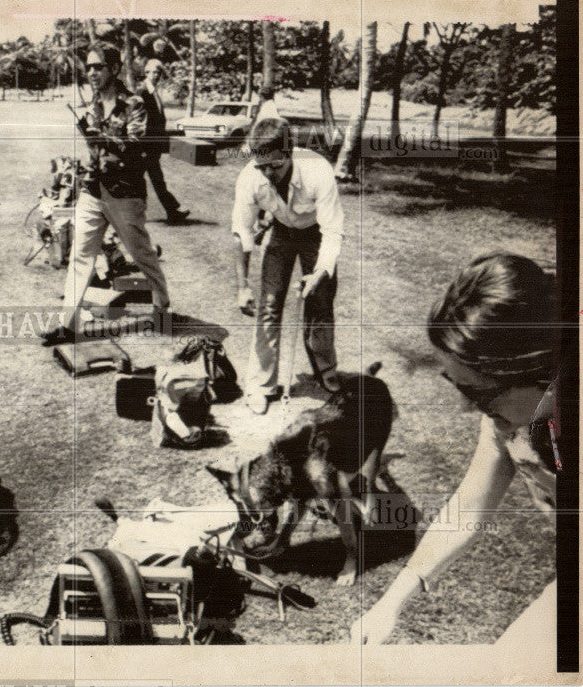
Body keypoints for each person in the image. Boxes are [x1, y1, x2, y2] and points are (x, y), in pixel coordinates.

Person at [351, 253, 559, 646]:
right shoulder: (511, 417)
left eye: (477, 392)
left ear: (542, 370)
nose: (466, 408)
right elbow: (468, 509)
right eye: (456, 384)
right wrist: (391, 602)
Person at [40, 44, 168, 347]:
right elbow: (97, 149)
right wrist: (90, 146)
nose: (92, 73)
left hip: (125, 193)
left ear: (114, 69)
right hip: (94, 189)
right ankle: (66, 325)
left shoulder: (134, 103)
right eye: (89, 67)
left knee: (141, 255)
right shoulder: (95, 103)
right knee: (80, 256)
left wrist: (101, 137)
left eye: (98, 67)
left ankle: (162, 308)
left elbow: (136, 145)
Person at [234, 117, 344, 414]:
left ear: (290, 152)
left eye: (276, 166)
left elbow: (333, 230)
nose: (268, 174)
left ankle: (325, 368)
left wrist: (320, 271)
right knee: (268, 305)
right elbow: (243, 233)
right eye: (262, 166)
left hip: (316, 235)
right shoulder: (250, 177)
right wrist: (242, 286)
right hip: (281, 233)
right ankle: (261, 383)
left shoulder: (318, 170)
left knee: (320, 301)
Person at [136, 59, 188, 224]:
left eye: (158, 72)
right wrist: (142, 145)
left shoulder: (153, 91)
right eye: (153, 72)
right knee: (141, 180)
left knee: (155, 180)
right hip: (145, 146)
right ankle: (168, 212)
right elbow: (141, 121)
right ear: (146, 72)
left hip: (153, 146)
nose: (156, 75)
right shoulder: (142, 91)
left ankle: (172, 212)